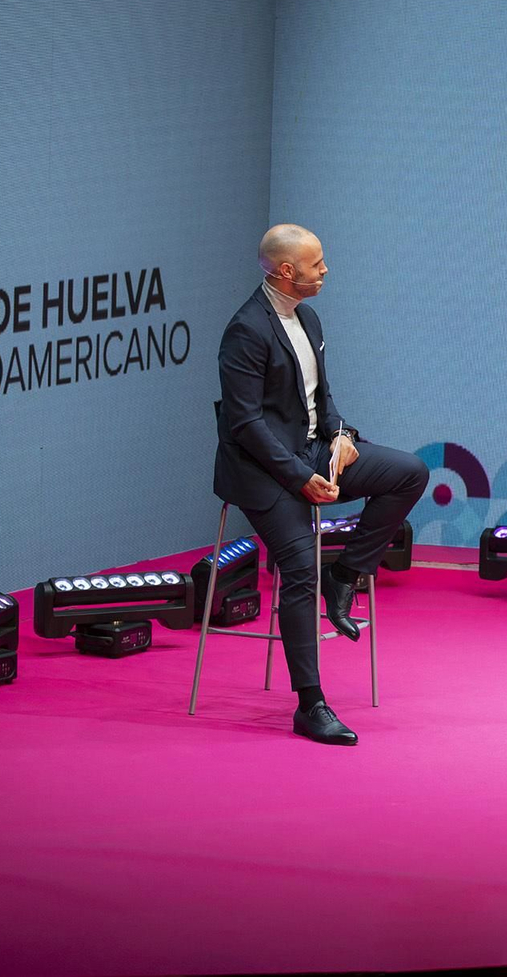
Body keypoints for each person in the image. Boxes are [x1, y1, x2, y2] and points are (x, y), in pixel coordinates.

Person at [213, 224, 429, 743]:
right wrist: (300, 477)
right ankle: (311, 704)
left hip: (314, 453)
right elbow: (244, 425)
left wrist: (340, 435)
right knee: (299, 568)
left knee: (409, 474)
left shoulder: (307, 315)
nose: (326, 270)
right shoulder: (246, 330)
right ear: (287, 271)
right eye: (317, 263)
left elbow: (320, 396)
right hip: (264, 471)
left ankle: (347, 576)